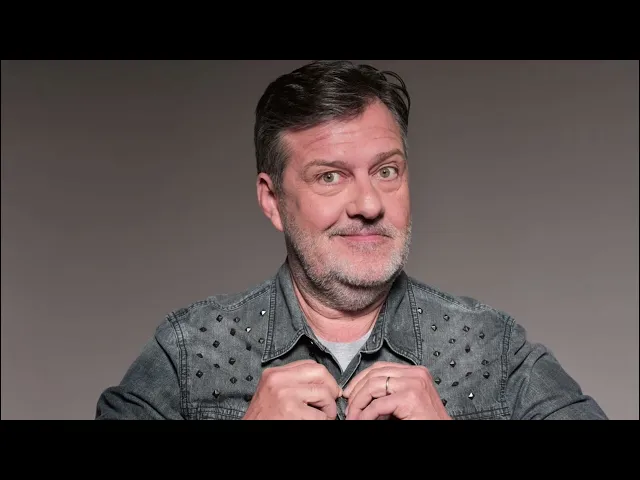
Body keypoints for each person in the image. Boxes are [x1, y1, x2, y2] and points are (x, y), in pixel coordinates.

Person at [95, 60, 608, 420]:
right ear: (272, 200)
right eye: (330, 176)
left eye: (386, 171)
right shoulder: (189, 353)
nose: (368, 204)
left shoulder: (492, 349)